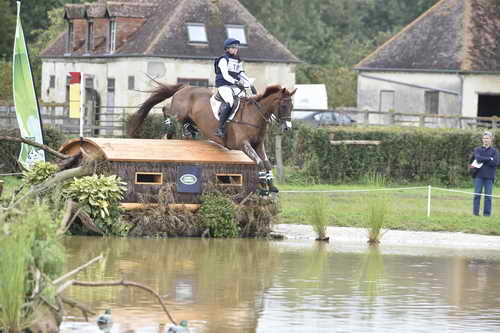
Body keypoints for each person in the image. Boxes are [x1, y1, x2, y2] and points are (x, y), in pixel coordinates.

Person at [214, 38, 251, 137]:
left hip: (234, 85)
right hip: (223, 85)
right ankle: (220, 128)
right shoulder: (223, 59)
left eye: (237, 48)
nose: (236, 49)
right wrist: (237, 82)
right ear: (227, 49)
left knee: (246, 99)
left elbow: (241, 73)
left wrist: (249, 83)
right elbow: (225, 76)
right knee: (230, 102)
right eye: (233, 48)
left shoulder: (237, 60)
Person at [472, 131, 499, 216]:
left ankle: (487, 214)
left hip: (489, 177)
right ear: (482, 139)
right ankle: (475, 213)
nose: (485, 140)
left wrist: (485, 159)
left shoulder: (495, 151)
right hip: (478, 176)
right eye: (484, 138)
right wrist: (489, 158)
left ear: (491, 140)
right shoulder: (477, 149)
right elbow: (478, 158)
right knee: (477, 195)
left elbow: (495, 163)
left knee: (488, 197)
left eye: (487, 138)